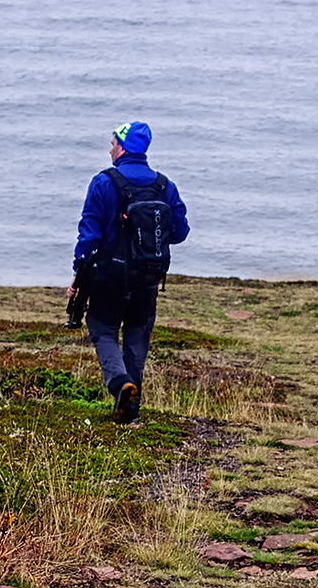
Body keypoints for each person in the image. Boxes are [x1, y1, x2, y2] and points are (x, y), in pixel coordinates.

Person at [67, 120, 189, 424]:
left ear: (122, 147)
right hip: (148, 277)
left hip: (110, 275)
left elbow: (89, 235)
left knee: (102, 327)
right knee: (137, 336)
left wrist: (78, 273)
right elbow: (181, 232)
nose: (110, 149)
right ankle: (130, 413)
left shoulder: (103, 182)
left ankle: (121, 384)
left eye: (112, 143)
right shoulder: (164, 185)